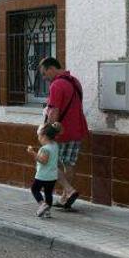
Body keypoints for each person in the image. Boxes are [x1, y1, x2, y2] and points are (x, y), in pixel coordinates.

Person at [40, 56, 88, 210]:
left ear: (51, 69)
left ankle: (69, 190)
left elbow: (54, 111)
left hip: (61, 132)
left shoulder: (56, 85)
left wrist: (47, 131)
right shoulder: (75, 82)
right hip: (78, 129)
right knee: (69, 163)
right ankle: (65, 198)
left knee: (49, 162)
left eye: (44, 73)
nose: (44, 77)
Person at [26, 123, 60, 218]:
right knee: (48, 193)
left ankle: (42, 205)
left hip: (43, 175)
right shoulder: (55, 145)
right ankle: (47, 211)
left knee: (35, 189)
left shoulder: (45, 149)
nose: (38, 138)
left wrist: (33, 153)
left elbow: (43, 161)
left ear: (44, 136)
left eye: (39, 136)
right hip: (52, 176)